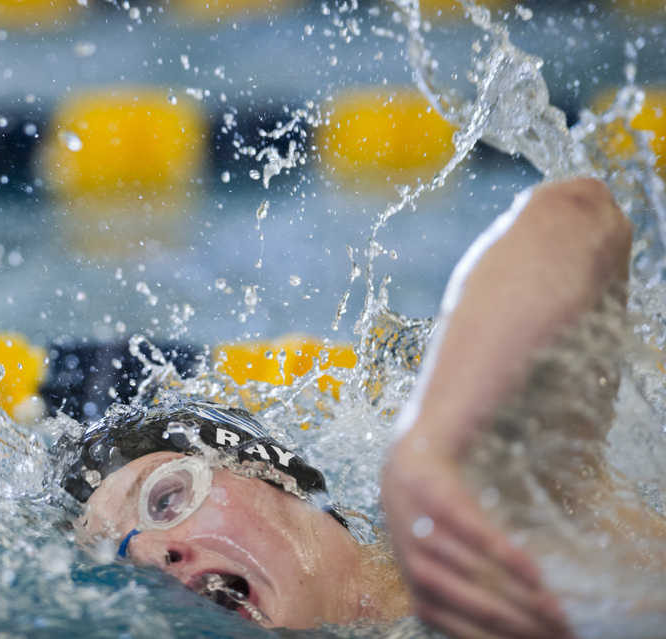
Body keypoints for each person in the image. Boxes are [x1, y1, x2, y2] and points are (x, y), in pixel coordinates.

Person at [57, 178, 661, 636]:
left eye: (165, 500)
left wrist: (428, 448)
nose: (152, 555)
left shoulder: (506, 509)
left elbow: (578, 214)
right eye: (119, 560)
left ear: (264, 468)